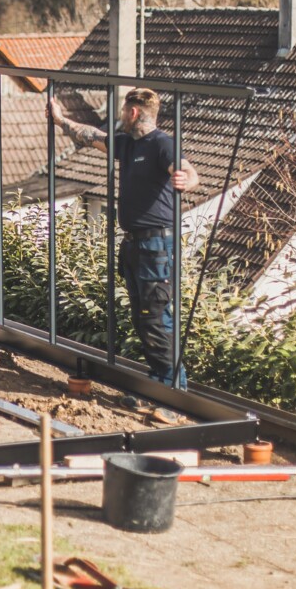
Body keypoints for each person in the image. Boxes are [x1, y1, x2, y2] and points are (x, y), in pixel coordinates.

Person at [49, 88, 199, 386]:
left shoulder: (162, 145)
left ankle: (173, 391)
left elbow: (188, 171)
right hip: (135, 244)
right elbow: (90, 136)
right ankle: (159, 382)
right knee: (144, 319)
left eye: (122, 111)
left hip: (157, 245)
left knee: (157, 317)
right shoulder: (129, 145)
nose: (120, 117)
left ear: (132, 112)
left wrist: (187, 180)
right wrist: (59, 120)